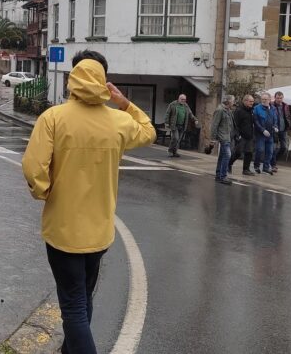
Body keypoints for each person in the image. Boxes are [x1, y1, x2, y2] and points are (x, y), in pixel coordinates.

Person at [22, 50, 156, 354]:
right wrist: (123, 102)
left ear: (73, 80)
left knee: (72, 305)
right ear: (103, 82)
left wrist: (44, 192)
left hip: (63, 229)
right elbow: (149, 132)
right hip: (100, 231)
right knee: (83, 297)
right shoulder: (119, 122)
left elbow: (33, 168)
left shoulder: (53, 118)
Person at [229, 95, 256, 176]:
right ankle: (229, 164)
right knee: (238, 153)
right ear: (245, 101)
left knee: (249, 153)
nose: (252, 103)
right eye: (250, 101)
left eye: (252, 101)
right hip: (241, 136)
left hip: (249, 136)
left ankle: (246, 169)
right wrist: (237, 135)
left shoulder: (251, 111)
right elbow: (235, 124)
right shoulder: (239, 111)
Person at [211, 95, 236, 185]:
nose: (234, 102)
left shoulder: (228, 110)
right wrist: (213, 139)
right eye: (233, 101)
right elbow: (214, 125)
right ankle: (223, 176)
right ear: (228, 101)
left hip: (228, 136)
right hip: (223, 137)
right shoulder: (220, 110)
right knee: (227, 155)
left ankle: (218, 175)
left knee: (222, 156)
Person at [164, 93, 197, 157]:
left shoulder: (186, 106)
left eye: (184, 99)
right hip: (174, 125)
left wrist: (195, 119)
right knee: (175, 138)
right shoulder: (173, 104)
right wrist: (166, 122)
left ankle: (175, 152)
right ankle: (170, 150)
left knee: (178, 140)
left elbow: (190, 114)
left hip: (182, 125)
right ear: (178, 99)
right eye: (182, 99)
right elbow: (167, 113)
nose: (183, 101)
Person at [253, 92, 279, 175]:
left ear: (269, 100)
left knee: (270, 152)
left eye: (266, 99)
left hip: (270, 133)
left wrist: (275, 127)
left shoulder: (273, 108)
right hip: (261, 133)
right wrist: (262, 130)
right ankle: (256, 165)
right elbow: (256, 121)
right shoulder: (257, 108)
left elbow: (275, 119)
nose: (264, 101)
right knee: (260, 150)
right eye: (262, 99)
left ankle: (266, 167)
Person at [270, 91, 291, 172]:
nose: (279, 99)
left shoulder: (286, 106)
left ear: (283, 98)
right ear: (275, 98)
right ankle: (273, 164)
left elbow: (288, 116)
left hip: (283, 129)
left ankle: (273, 161)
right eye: (278, 98)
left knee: (284, 147)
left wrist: (288, 125)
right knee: (274, 148)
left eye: (281, 98)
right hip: (274, 129)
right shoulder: (271, 105)